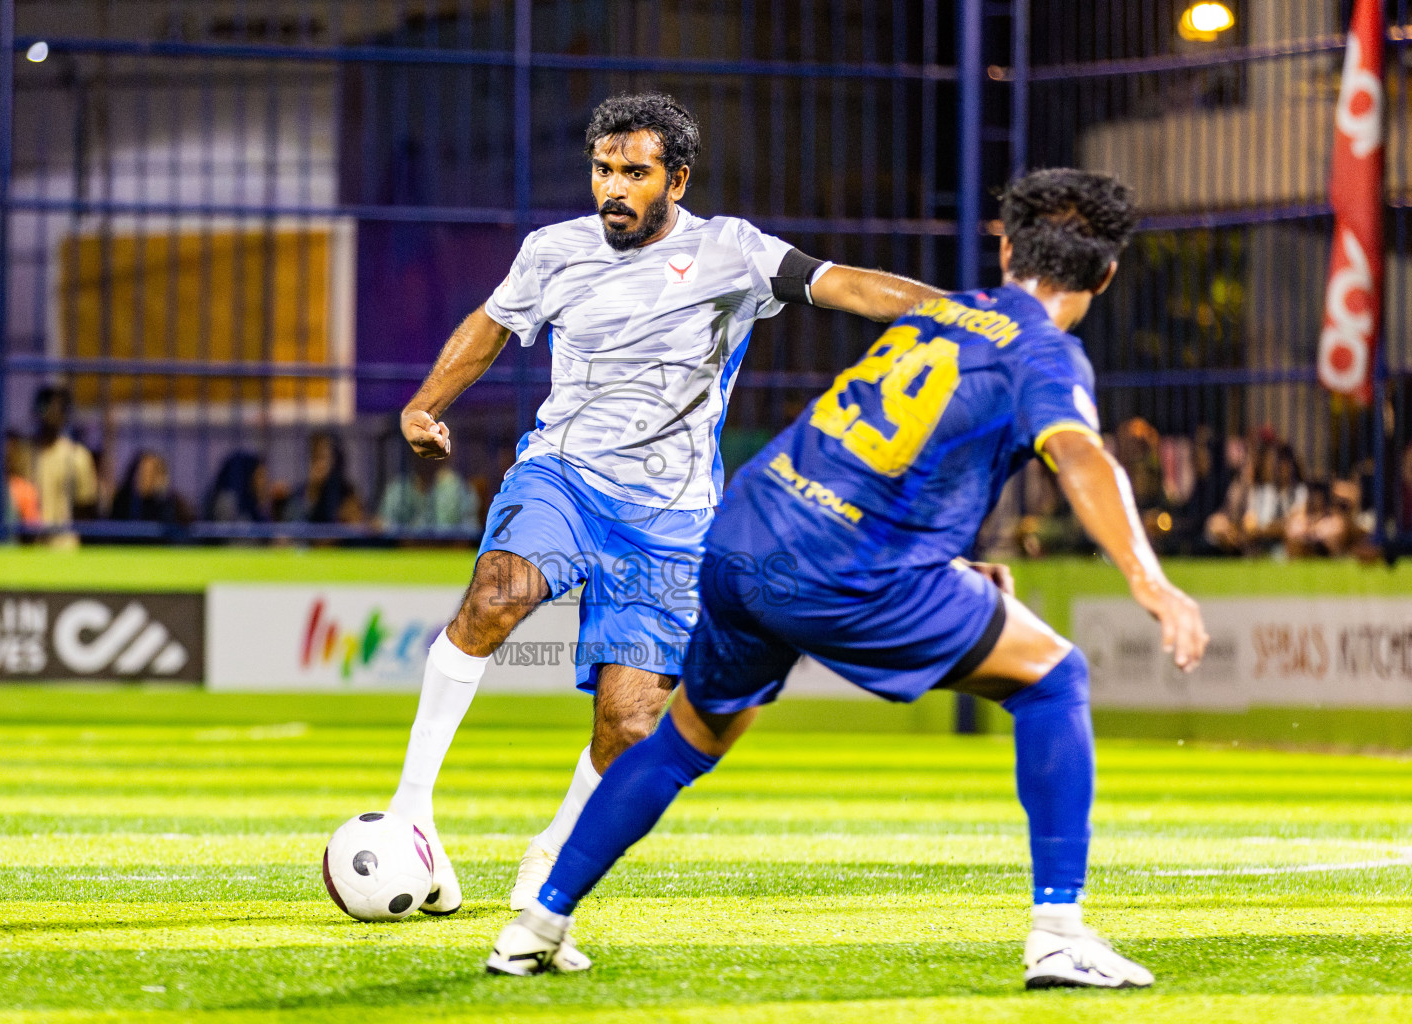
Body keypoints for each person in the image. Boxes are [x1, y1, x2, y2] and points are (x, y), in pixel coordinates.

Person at [486, 169, 1209, 990]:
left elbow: (868, 445)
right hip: (849, 568)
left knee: (686, 739)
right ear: (1107, 273)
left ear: (1005, 246)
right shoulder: (1045, 353)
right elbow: (1078, 452)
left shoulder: (939, 316)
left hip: (747, 535)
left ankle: (535, 925)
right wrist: (1151, 583)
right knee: (1055, 679)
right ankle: (1059, 934)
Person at [389, 92, 943, 929]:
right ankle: (412, 813)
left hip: (672, 518)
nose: (613, 187)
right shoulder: (556, 251)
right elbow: (492, 326)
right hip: (564, 477)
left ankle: (554, 844)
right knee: (497, 595)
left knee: (630, 721)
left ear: (675, 180)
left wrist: (961, 315)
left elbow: (842, 286)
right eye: (603, 170)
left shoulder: (731, 251)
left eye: (634, 173)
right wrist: (425, 406)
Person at [30, 385, 99, 545]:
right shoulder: (24, 453)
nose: (50, 415)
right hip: (29, 547)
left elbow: (86, 506)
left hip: (64, 547)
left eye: (57, 410)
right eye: (46, 408)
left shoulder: (77, 456)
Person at [110, 451, 192, 540]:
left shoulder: (173, 504)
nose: (142, 477)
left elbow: (178, 536)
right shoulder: (122, 501)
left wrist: (161, 498)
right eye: (140, 472)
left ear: (159, 476)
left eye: (149, 473)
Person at [287, 432, 353, 524]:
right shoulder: (301, 491)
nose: (318, 464)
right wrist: (312, 490)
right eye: (314, 457)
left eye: (322, 457)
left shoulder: (346, 491)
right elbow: (293, 525)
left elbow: (355, 526)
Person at [205, 451, 271, 527]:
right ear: (249, 477)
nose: (265, 483)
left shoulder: (256, 511)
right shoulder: (228, 503)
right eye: (260, 477)